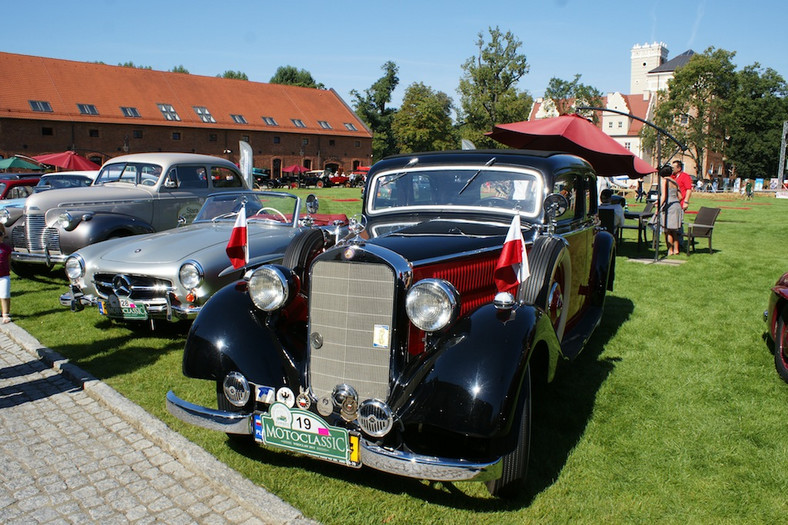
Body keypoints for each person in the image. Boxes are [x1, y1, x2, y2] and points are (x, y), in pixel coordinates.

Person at [657, 164, 682, 255]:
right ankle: (676, 249)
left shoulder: (664, 181)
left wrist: (658, 206)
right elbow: (680, 196)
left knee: (667, 230)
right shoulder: (675, 181)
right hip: (676, 205)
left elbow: (664, 195)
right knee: (674, 230)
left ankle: (670, 250)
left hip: (669, 206)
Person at [0, 224, 11, 323]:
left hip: (4, 275)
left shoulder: (6, 248)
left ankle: (5, 314)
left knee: (5, 295)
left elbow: (8, 261)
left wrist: (9, 271)